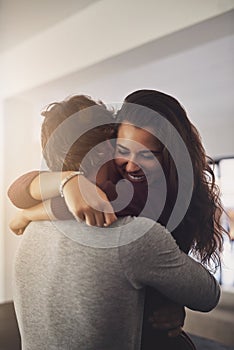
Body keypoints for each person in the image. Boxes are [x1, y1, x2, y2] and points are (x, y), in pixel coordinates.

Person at [8, 92, 224, 350]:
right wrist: (68, 182)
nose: (131, 166)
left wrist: (28, 214)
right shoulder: (125, 212)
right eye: (122, 150)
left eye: (147, 154)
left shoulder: (140, 200)